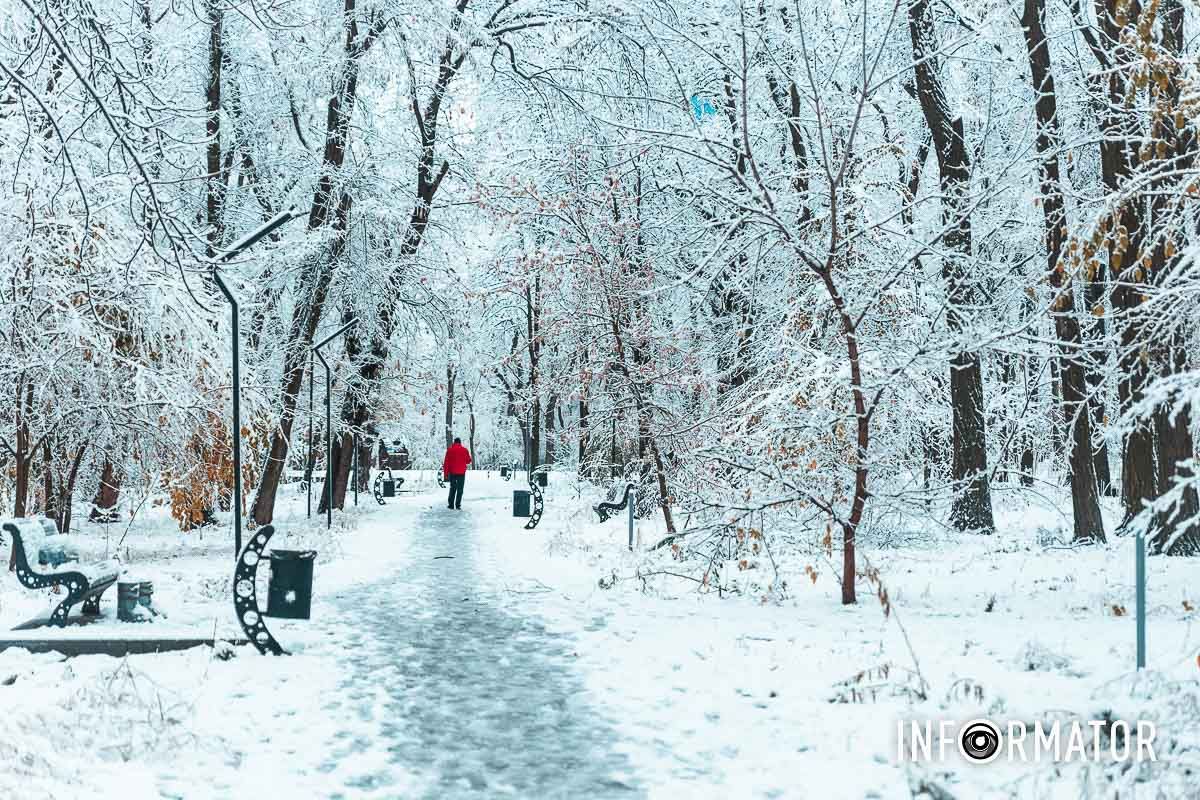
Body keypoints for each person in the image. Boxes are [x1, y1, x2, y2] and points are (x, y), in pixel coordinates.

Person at [442, 437, 472, 510]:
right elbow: (469, 461)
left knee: (453, 488)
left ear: (454, 443)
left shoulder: (449, 450)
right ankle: (458, 505)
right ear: (460, 442)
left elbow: (446, 463)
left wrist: (445, 474)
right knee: (460, 489)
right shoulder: (464, 450)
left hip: (452, 472)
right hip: (461, 473)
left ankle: (451, 505)